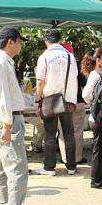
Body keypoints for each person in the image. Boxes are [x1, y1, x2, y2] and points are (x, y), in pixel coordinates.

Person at [0, 27, 39, 205]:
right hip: (8, 120)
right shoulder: (0, 63)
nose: (21, 45)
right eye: (19, 41)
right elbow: (1, 97)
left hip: (4, 119)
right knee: (17, 170)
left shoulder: (1, 62)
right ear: (10, 42)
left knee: (1, 168)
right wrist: (7, 124)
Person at [33, 29, 78, 176]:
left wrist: (38, 98)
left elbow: (40, 81)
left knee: (50, 135)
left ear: (46, 41)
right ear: (60, 40)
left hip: (50, 99)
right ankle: (71, 166)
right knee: (69, 134)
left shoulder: (44, 57)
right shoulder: (70, 56)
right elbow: (74, 78)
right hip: (68, 100)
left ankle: (49, 167)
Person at [82, 48, 102, 189]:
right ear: (98, 60)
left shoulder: (101, 74)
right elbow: (86, 95)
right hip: (97, 117)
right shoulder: (95, 75)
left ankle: (101, 178)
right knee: (99, 150)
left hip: (99, 117)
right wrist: (95, 104)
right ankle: (96, 180)